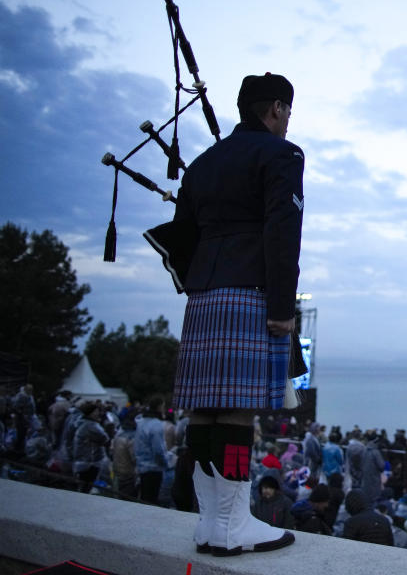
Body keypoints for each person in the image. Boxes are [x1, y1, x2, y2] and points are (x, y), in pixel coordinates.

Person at [170, 73, 303, 556]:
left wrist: (199, 281)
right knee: (236, 410)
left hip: (202, 292)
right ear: (274, 109)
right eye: (288, 111)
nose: (289, 121)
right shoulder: (282, 155)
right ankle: (233, 525)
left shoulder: (202, 164)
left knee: (204, 411)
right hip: (249, 290)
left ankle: (210, 524)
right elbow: (283, 229)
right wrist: (283, 307)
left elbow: (182, 235)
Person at [134, 398, 169, 504]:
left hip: (142, 466)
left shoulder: (141, 422)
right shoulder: (157, 425)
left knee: (145, 498)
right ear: (159, 407)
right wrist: (165, 463)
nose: (164, 409)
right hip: (153, 468)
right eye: (163, 406)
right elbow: (158, 450)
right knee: (151, 500)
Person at [72, 401, 109, 493]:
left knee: (82, 487)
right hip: (89, 461)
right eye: (96, 411)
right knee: (86, 488)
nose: (98, 413)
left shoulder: (81, 422)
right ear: (90, 413)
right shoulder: (91, 426)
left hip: (81, 460)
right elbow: (105, 438)